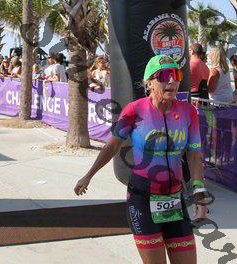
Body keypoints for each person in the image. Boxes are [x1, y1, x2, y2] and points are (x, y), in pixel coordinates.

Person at [74, 55, 206, 264]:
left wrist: (198, 191)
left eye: (176, 74)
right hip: (142, 198)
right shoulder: (134, 110)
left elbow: (194, 154)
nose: (172, 80)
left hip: (174, 198)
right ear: (149, 83)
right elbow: (112, 146)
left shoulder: (188, 111)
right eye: (164, 75)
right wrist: (88, 175)